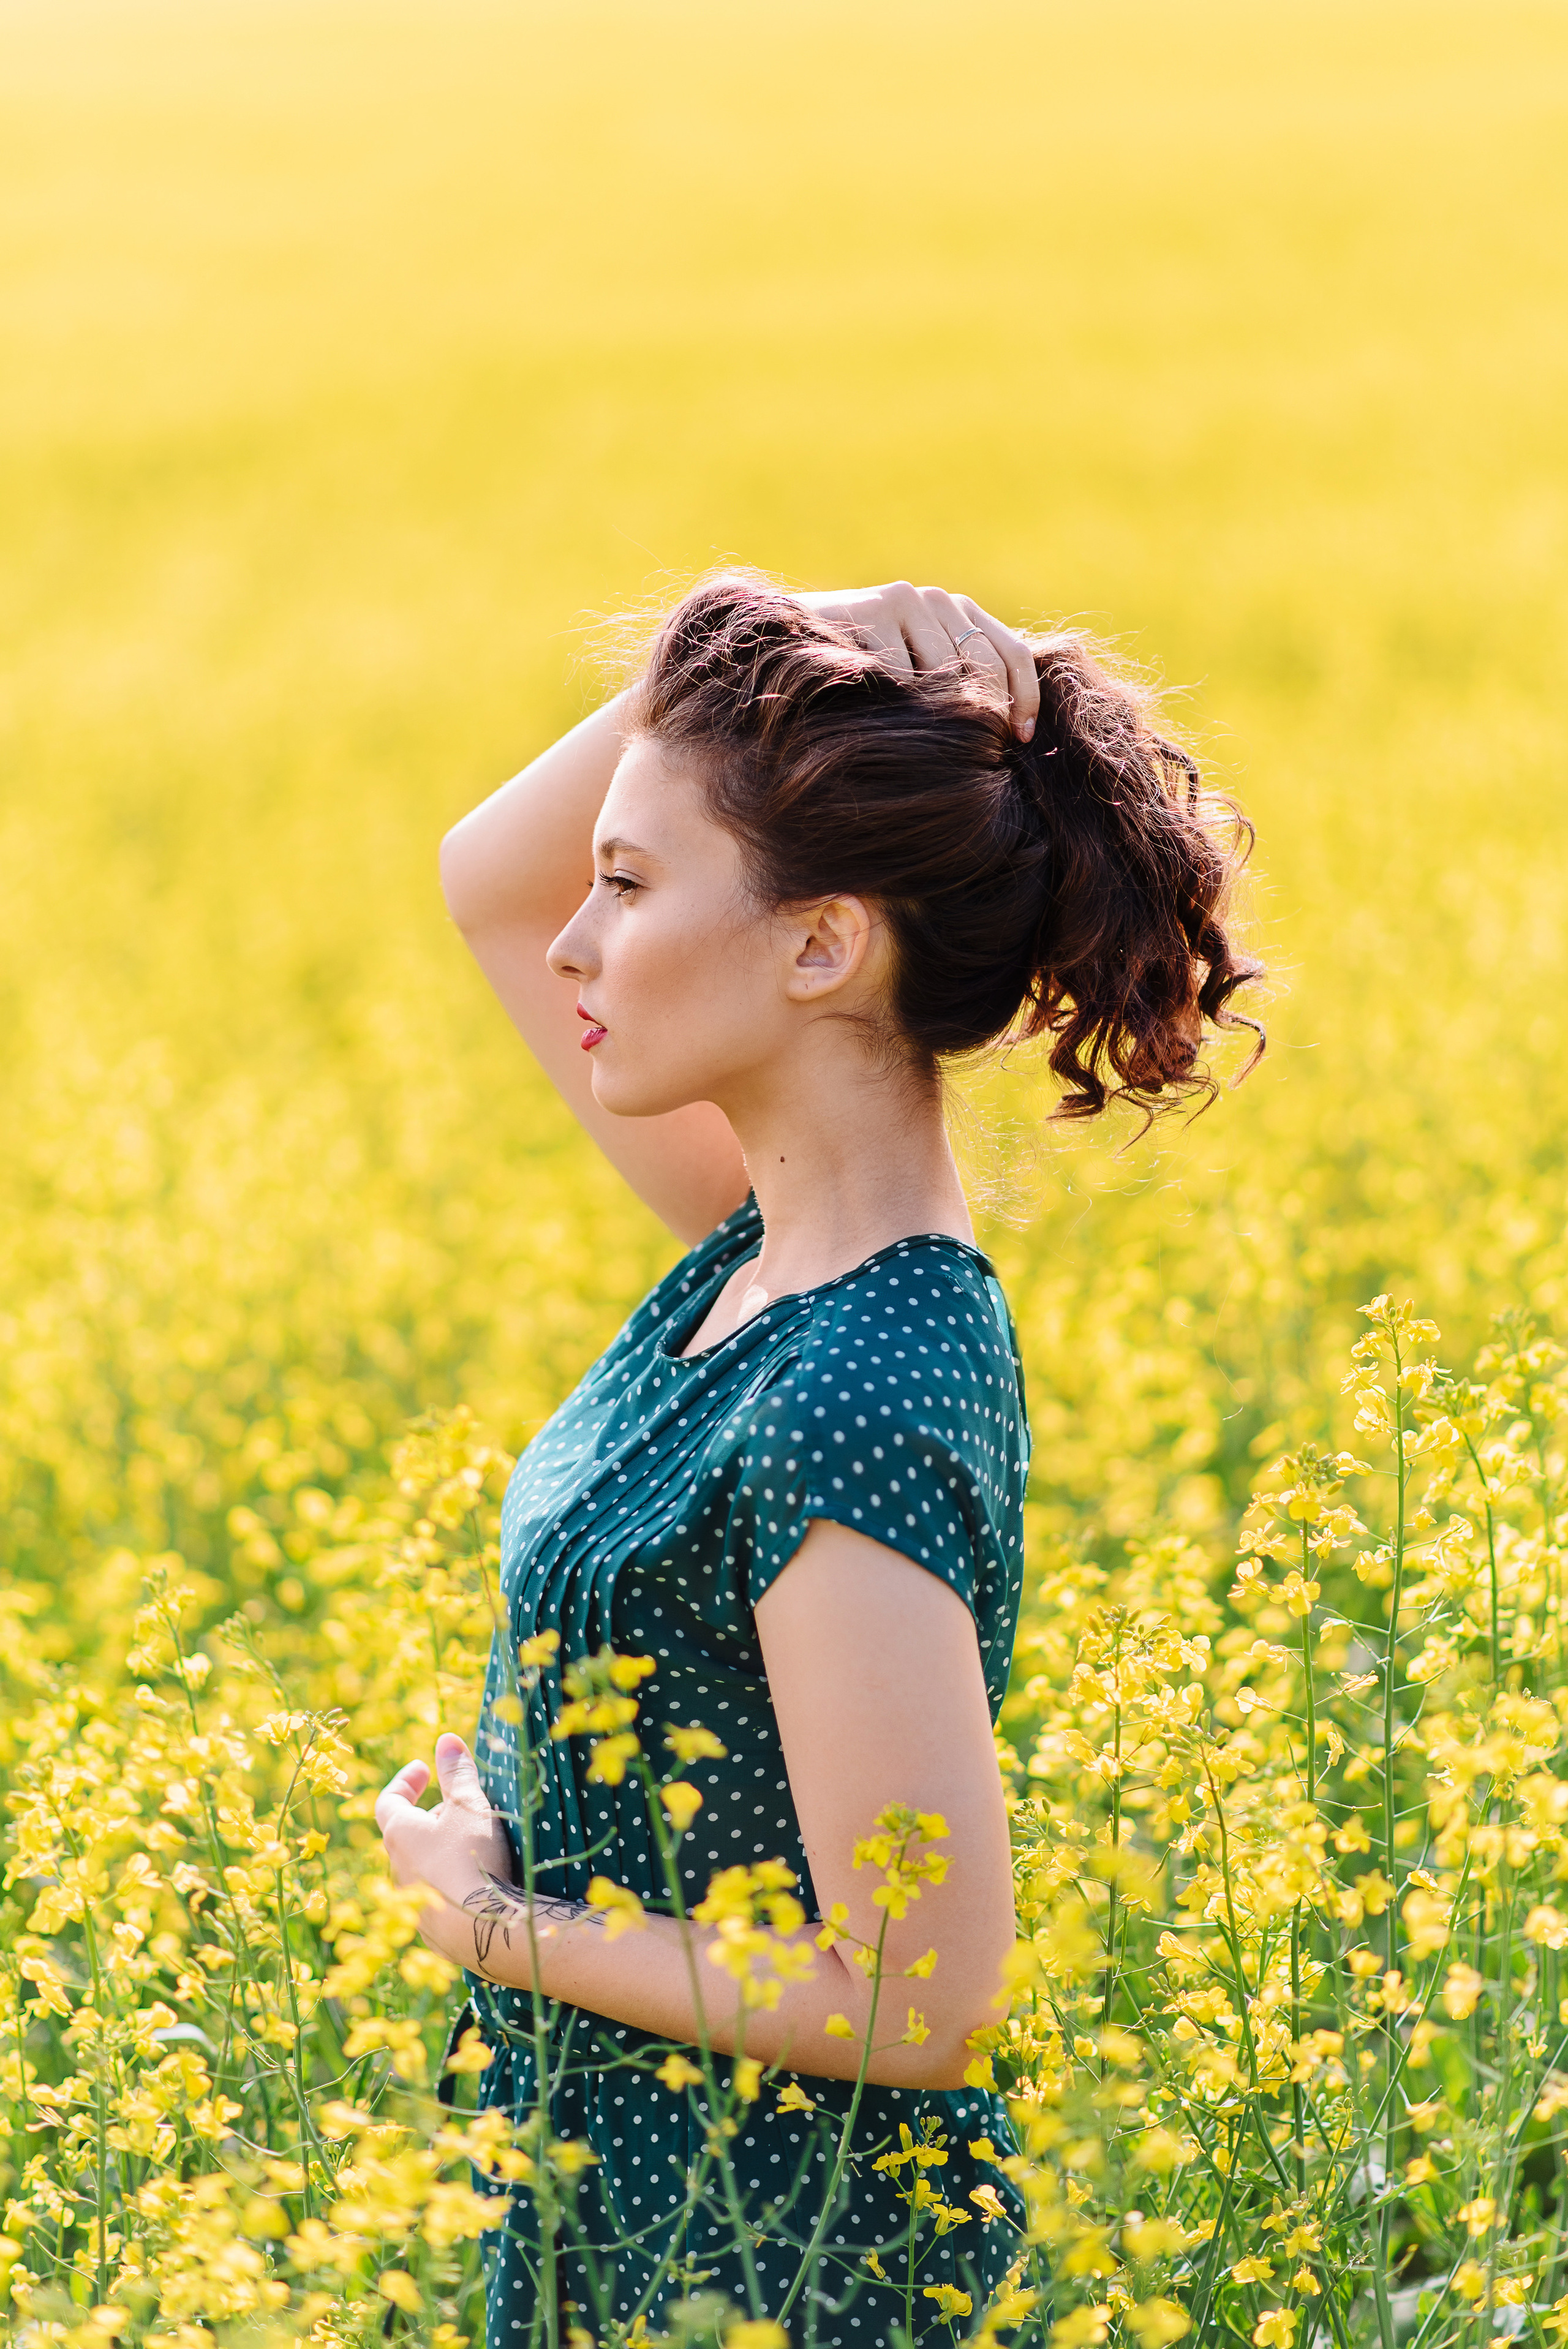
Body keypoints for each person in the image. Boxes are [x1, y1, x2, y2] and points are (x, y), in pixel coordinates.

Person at [375, 577, 1261, 2341]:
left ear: (818, 946)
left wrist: (496, 1926)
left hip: (776, 2269)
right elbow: (489, 874)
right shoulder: (762, 1249)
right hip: (635, 2224)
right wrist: (783, 625)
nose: (574, 943)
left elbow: (920, 1990)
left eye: (627, 891)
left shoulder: (855, 1385)